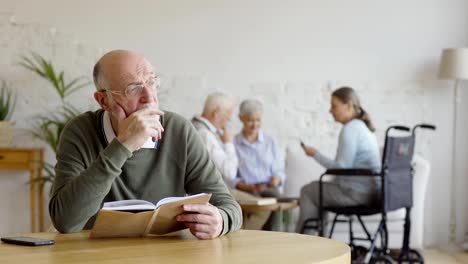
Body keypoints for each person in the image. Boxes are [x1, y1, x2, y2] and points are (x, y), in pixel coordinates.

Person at [49, 50, 242, 240]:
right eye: (133, 88)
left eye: (151, 82)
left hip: (165, 256)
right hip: (98, 256)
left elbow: (229, 207)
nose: (150, 97)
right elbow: (66, 221)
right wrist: (122, 146)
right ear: (104, 101)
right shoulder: (80, 131)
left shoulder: (178, 130)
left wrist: (220, 221)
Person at [296, 86, 381, 233]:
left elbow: (341, 167)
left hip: (356, 195)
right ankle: (319, 239)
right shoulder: (363, 128)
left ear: (348, 105)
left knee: (308, 190)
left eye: (334, 106)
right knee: (320, 190)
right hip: (371, 193)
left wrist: (315, 154)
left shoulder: (351, 129)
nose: (330, 110)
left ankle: (303, 241)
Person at [192, 93, 270, 230]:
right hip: (212, 188)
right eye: (228, 114)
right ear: (216, 112)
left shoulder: (195, 127)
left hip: (206, 186)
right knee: (262, 207)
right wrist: (229, 143)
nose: (228, 120)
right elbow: (230, 172)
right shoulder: (205, 134)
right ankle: (238, 242)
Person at [234, 99, 285, 230]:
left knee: (275, 199)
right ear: (241, 118)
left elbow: (279, 170)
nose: (255, 125)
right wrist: (248, 187)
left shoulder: (270, 141)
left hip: (268, 188)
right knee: (265, 203)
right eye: (250, 120)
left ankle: (274, 240)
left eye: (258, 120)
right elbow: (231, 176)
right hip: (246, 190)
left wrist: (277, 178)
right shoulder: (233, 144)